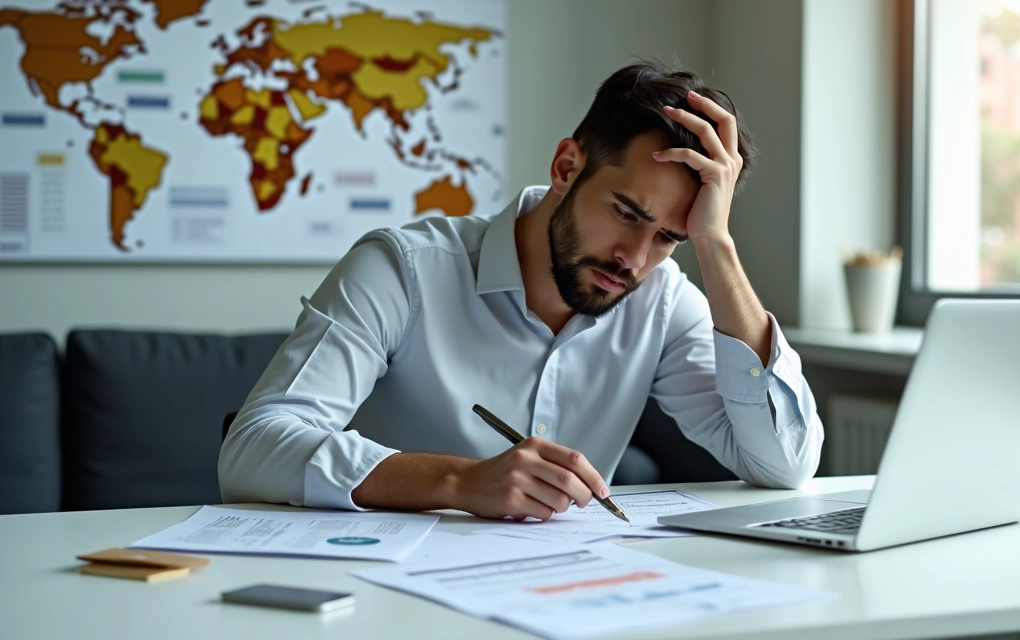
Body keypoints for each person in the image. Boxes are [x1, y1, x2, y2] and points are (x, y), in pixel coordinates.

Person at [218, 61, 824, 521]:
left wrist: (716, 245)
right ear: (566, 167)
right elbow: (252, 448)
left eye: (669, 236)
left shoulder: (661, 299)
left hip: (561, 600)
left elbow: (785, 464)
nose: (635, 259)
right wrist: (459, 482)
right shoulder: (403, 269)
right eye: (625, 213)